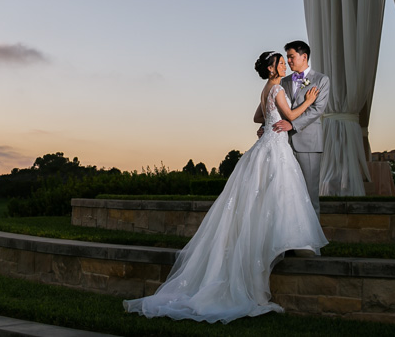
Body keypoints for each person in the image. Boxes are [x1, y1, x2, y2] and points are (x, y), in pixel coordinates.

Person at [123, 51, 329, 323]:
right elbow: (289, 114)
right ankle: (281, 242)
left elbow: (258, 116)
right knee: (279, 195)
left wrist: (269, 121)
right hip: (275, 146)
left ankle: (280, 241)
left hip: (267, 142)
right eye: (280, 62)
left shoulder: (266, 88)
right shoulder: (277, 87)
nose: (284, 65)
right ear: (271, 69)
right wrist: (309, 102)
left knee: (270, 197)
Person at [271, 40, 330, 216]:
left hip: (309, 144)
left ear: (304, 56)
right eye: (287, 58)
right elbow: (278, 107)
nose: (288, 61)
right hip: (284, 144)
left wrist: (293, 124)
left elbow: (317, 110)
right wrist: (266, 126)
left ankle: (313, 243)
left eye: (291, 57)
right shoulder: (284, 81)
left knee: (310, 195)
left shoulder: (321, 80)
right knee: (286, 193)